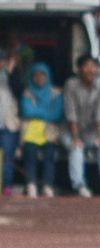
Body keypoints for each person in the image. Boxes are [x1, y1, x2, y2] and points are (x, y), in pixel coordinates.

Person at [64, 55, 100, 198]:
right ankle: (79, 185)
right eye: (86, 66)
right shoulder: (71, 85)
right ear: (79, 69)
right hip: (70, 129)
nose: (91, 70)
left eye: (93, 66)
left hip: (92, 131)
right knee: (76, 149)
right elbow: (71, 113)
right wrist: (75, 138)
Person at [19, 63, 63, 198]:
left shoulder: (56, 93)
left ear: (47, 76)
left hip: (49, 131)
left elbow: (57, 114)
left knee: (49, 157)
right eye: (36, 75)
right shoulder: (27, 92)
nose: (39, 78)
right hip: (30, 131)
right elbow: (26, 111)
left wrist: (37, 112)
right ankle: (31, 184)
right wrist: (45, 112)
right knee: (30, 156)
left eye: (42, 75)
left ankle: (47, 185)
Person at [0, 50, 18, 195]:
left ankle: (7, 186)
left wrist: (11, 73)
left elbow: (19, 90)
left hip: (8, 124)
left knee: (7, 157)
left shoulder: (12, 76)